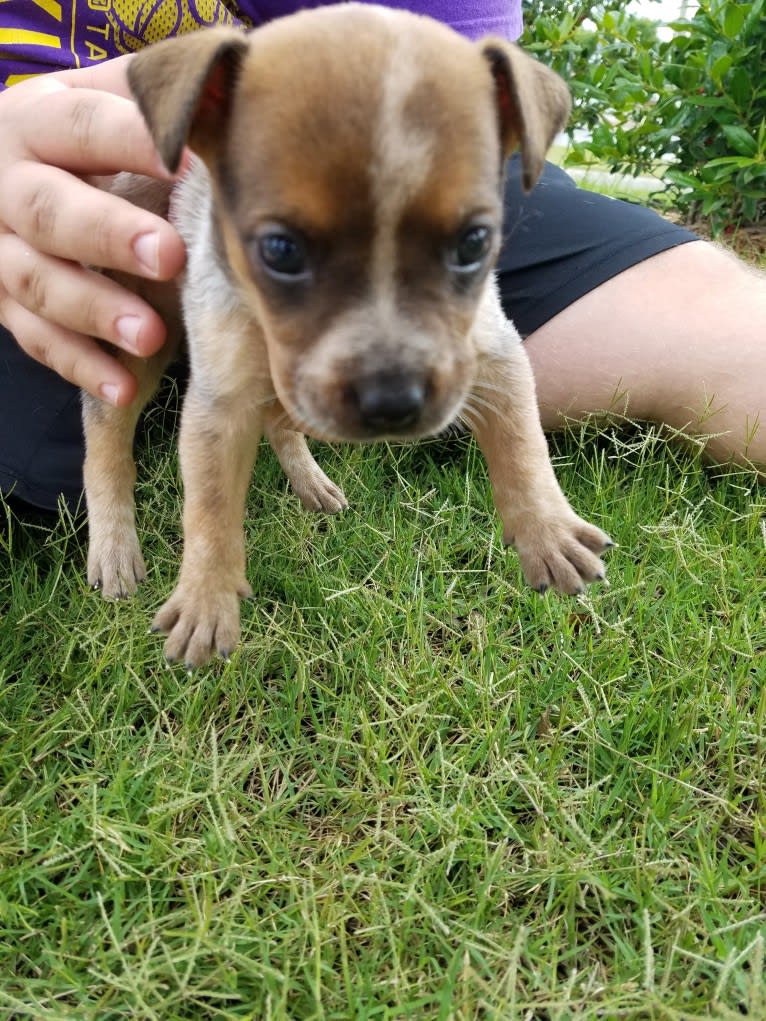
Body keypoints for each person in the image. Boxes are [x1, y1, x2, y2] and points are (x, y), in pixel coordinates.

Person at [0, 0, 763, 515]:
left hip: (416, 165)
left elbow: (451, 82)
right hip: (44, 207)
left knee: (715, 326)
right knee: (40, 474)